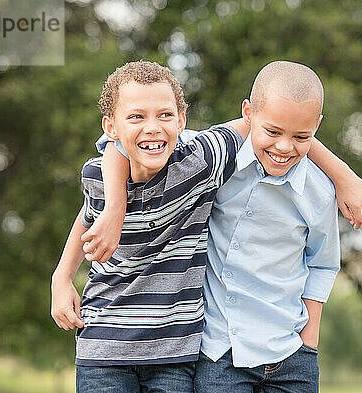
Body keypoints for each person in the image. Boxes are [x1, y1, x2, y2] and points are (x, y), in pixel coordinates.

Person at [86, 61, 362, 392]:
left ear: (316, 128)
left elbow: (322, 263)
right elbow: (119, 141)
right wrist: (114, 209)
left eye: (301, 136)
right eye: (272, 132)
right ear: (248, 114)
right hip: (218, 353)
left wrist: (308, 344)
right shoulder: (210, 162)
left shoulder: (319, 192)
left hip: (290, 353)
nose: (283, 147)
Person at [50, 60, 249, 393]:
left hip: (172, 354)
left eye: (165, 115)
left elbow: (264, 120)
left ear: (182, 121)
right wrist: (62, 277)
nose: (153, 127)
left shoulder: (200, 164)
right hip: (103, 348)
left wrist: (343, 177)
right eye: (137, 116)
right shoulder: (96, 175)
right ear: (110, 127)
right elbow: (88, 217)